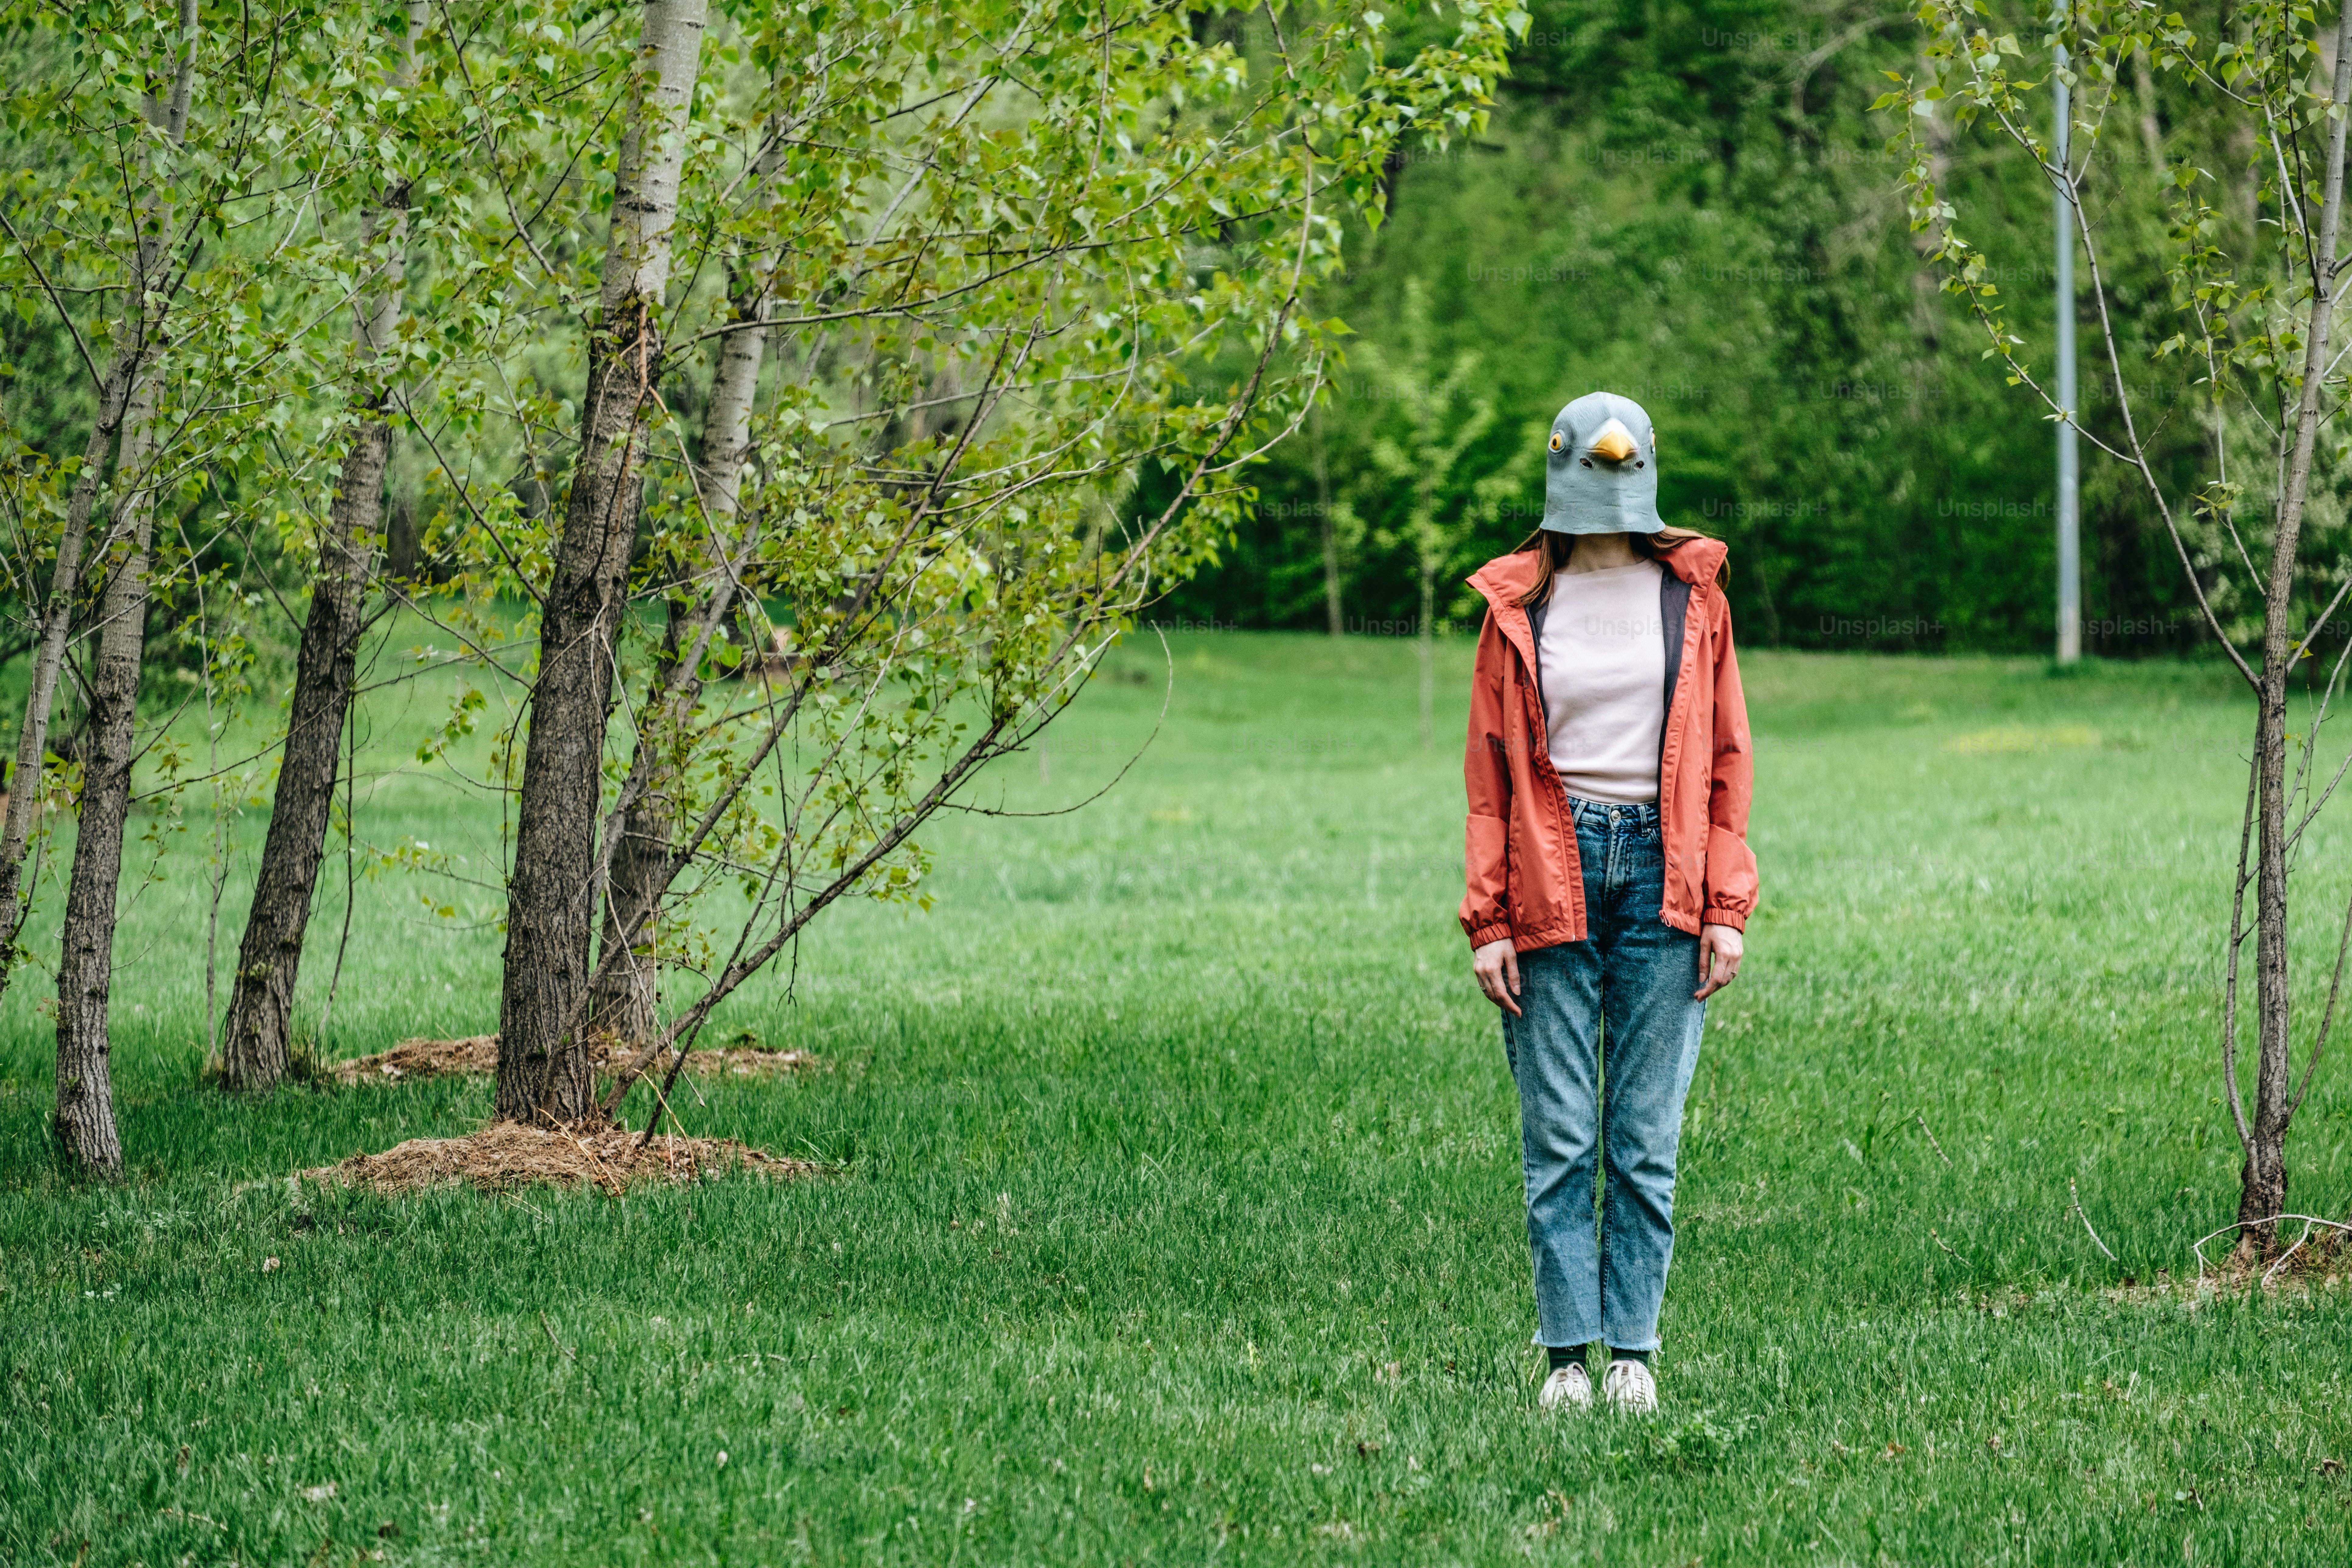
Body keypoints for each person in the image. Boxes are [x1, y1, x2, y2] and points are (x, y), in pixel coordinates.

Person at [1458, 390, 1757, 1414]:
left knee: (1642, 1135)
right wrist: (1488, 920)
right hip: (1553, 871)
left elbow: (1726, 759)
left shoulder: (1694, 599)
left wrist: (1727, 900)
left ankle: (1633, 1353)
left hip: (1664, 878)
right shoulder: (1516, 608)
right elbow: (1490, 776)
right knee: (1559, 1136)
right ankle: (1567, 1363)